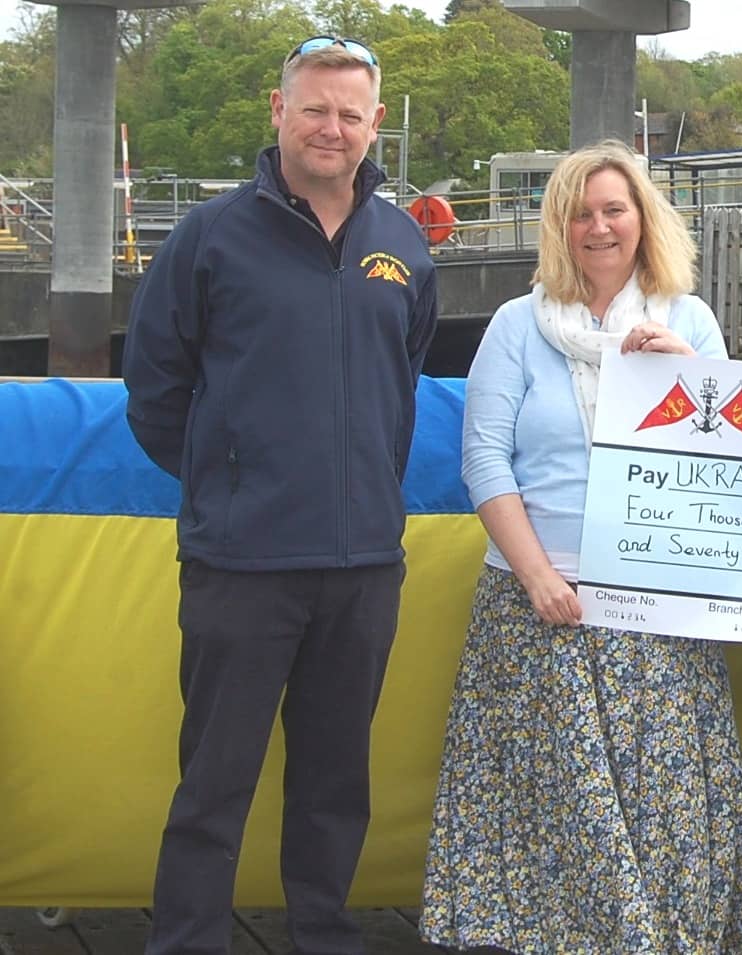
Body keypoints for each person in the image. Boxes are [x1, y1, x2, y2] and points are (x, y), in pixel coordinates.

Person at [122, 36, 438, 955]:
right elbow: (154, 389)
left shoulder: (404, 243)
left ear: (375, 122)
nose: (331, 127)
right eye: (315, 107)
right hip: (241, 563)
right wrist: (231, 484)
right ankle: (186, 942)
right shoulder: (209, 235)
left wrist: (365, 490)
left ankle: (324, 935)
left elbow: (402, 388)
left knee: (337, 782)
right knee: (214, 783)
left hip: (365, 565)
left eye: (350, 112)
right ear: (279, 108)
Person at [418, 140, 742, 954]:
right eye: (581, 211)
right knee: (555, 807)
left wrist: (690, 373)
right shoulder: (515, 325)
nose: (599, 226)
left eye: (615, 208)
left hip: (655, 605)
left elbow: (734, 458)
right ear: (559, 226)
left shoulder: (691, 318)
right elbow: (484, 457)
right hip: (540, 605)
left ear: (642, 219)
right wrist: (537, 575)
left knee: (659, 803)